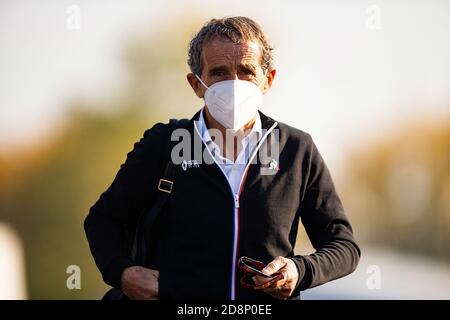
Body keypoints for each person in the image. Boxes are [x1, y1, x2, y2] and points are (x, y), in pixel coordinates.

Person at [84, 16, 360, 300]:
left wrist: (299, 270)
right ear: (196, 84)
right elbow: (103, 221)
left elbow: (343, 247)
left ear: (268, 80)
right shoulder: (162, 144)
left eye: (246, 71)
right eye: (218, 72)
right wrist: (123, 273)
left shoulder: (296, 149)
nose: (235, 83)